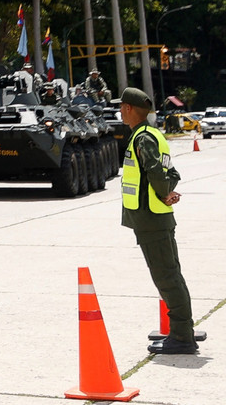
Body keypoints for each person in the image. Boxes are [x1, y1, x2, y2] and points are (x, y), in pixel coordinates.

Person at [117, 86, 198, 355]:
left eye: (121, 107)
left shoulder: (142, 139)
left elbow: (156, 172)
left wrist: (164, 193)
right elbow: (171, 172)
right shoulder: (153, 135)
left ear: (128, 109)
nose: (119, 111)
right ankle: (182, 329)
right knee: (171, 274)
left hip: (150, 219)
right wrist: (168, 191)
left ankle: (182, 337)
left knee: (166, 277)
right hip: (155, 217)